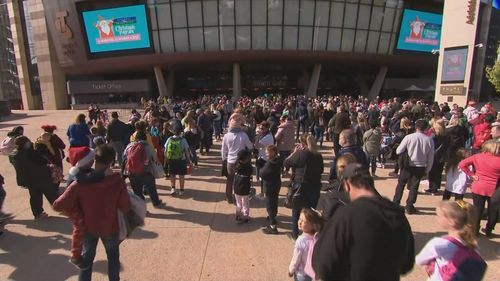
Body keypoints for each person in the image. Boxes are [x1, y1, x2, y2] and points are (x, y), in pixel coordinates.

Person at [312, 163, 415, 280]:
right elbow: (407, 264)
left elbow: (322, 265)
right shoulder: (397, 214)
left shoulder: (346, 215)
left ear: (347, 185)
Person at [53, 145, 131, 281]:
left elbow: (58, 205)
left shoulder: (79, 183)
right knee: (113, 259)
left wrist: (76, 213)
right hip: (110, 227)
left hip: (88, 227)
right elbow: (125, 206)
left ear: (95, 159)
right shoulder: (117, 181)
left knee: (87, 260)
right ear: (112, 161)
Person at [415, 200, 486, 281]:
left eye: (439, 216)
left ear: (451, 222)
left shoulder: (438, 244)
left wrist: (431, 263)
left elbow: (419, 260)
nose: (436, 218)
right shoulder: (473, 245)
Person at [284, 135, 324, 240]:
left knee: (296, 211)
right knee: (311, 212)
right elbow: (321, 170)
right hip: (314, 186)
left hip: (300, 186)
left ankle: (295, 234)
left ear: (302, 144)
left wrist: (294, 153)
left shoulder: (301, 154)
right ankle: (311, 235)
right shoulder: (318, 156)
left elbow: (286, 162)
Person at [459, 139, 500, 237]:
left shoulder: (477, 157)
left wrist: (471, 174)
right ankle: (489, 229)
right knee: (493, 210)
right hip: (495, 188)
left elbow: (462, 164)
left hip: (479, 185)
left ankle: (475, 230)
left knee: (477, 209)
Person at [9, 136, 58, 219]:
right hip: (40, 176)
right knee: (51, 193)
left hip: (27, 178)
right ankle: (61, 207)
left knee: (35, 196)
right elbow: (42, 161)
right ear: (25, 144)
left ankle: (38, 213)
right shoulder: (30, 152)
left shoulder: (13, 154)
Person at [393, 119, 434, 214]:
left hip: (408, 164)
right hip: (420, 166)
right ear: (426, 128)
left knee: (401, 184)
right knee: (414, 187)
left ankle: (395, 203)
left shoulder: (409, 137)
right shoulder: (429, 140)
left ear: (416, 127)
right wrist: (428, 169)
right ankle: (409, 206)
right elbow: (431, 157)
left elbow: (398, 151)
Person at [124, 131, 164, 208]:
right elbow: (151, 157)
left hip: (132, 171)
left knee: (137, 192)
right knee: (151, 187)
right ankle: (156, 202)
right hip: (146, 171)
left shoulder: (129, 146)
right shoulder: (147, 146)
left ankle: (142, 208)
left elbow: (125, 157)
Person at [221, 113, 253, 204]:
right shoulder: (243, 135)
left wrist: (223, 159)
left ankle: (229, 197)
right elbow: (250, 146)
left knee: (230, 180)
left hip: (230, 161)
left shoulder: (226, 136)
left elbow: (223, 149)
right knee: (240, 179)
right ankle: (239, 197)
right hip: (241, 161)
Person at [288, 208, 323, 281]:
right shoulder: (317, 237)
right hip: (311, 273)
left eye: (304, 221)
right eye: (300, 219)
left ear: (312, 225)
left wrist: (291, 270)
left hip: (301, 274)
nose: (300, 222)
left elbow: (296, 258)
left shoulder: (301, 241)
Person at [260, 145, 283, 234]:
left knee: (269, 204)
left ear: (273, 152)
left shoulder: (270, 163)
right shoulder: (278, 160)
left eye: (267, 152)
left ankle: (272, 226)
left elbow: (262, 173)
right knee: (274, 201)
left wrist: (262, 166)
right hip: (276, 184)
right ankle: (273, 216)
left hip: (270, 186)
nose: (266, 154)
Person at [164, 122, 192, 196]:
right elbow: (186, 151)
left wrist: (166, 159)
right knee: (181, 175)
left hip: (171, 159)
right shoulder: (183, 140)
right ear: (180, 132)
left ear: (173, 131)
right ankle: (181, 190)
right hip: (181, 160)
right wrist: (189, 160)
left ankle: (173, 188)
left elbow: (165, 150)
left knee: (172, 174)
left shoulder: (169, 139)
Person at [425, 118, 450, 195]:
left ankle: (432, 188)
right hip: (442, 155)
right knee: (438, 172)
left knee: (432, 172)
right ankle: (435, 187)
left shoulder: (433, 133)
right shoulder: (446, 134)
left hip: (433, 154)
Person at [255, 121, 275, 197]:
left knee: (264, 178)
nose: (260, 129)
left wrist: (257, 136)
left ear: (267, 128)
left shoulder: (268, 137)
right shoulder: (265, 134)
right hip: (263, 157)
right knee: (263, 178)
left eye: (262, 128)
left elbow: (256, 146)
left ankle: (264, 193)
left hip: (265, 159)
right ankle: (264, 192)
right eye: (260, 128)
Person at [233, 149, 253, 224]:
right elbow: (250, 173)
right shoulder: (248, 166)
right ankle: (245, 216)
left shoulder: (236, 164)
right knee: (245, 203)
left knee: (238, 202)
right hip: (245, 187)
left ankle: (238, 214)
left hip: (237, 187)